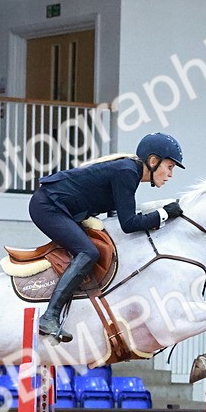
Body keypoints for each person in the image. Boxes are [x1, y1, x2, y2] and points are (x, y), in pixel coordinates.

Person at [29, 132, 185, 342]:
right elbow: (129, 224)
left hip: (57, 207)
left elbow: (121, 217)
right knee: (88, 252)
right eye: (170, 167)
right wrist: (164, 214)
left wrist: (160, 212)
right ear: (154, 161)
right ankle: (49, 316)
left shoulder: (130, 173)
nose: (171, 174)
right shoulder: (127, 173)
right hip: (47, 206)